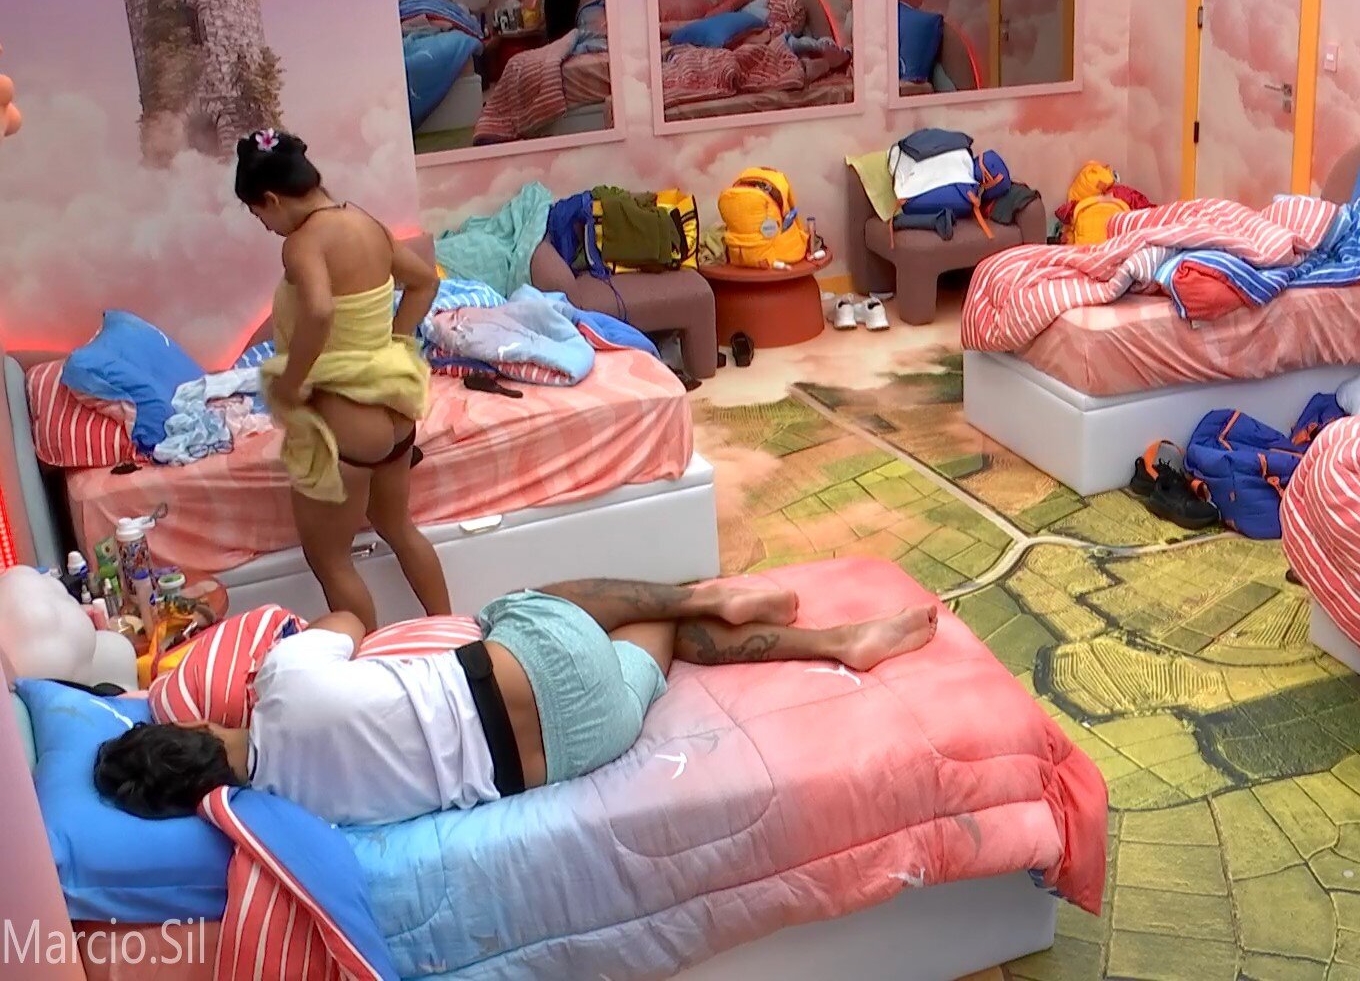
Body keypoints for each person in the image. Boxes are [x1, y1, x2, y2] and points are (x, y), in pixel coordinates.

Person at [94, 579, 939, 826]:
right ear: (195, 724)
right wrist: (276, 656)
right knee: (519, 603)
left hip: (581, 743)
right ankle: (703, 592)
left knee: (655, 641)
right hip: (527, 664)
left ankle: (837, 644)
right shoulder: (283, 682)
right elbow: (350, 619)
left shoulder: (291, 817)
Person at [236, 129, 449, 626]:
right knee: (399, 528)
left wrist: (291, 381)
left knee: (331, 559)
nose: (267, 228)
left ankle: (366, 662)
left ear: (272, 199)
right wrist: (394, 341)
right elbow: (425, 281)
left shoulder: (303, 243)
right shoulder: (366, 224)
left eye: (260, 216)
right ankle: (455, 634)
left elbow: (318, 310)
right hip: (395, 410)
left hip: (347, 422)